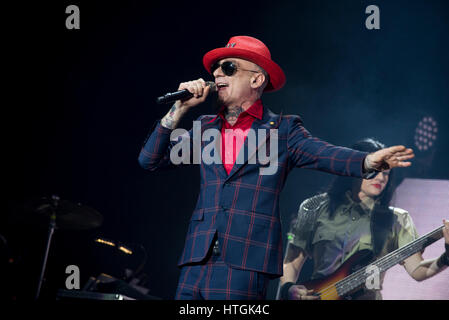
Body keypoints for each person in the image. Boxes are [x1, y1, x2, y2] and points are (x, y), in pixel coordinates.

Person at [138, 36, 415, 300]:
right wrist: (178, 109)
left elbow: (324, 154)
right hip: (196, 259)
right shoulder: (205, 128)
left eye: (229, 67)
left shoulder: (282, 130)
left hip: (244, 263)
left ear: (256, 79)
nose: (218, 75)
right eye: (215, 69)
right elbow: (149, 160)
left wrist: (366, 161)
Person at [277, 138, 449, 300]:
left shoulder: (397, 219)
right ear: (353, 167)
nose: (381, 178)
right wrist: (289, 288)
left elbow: (419, 271)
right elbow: (291, 263)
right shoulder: (314, 207)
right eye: (375, 171)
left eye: (386, 173)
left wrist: (446, 257)